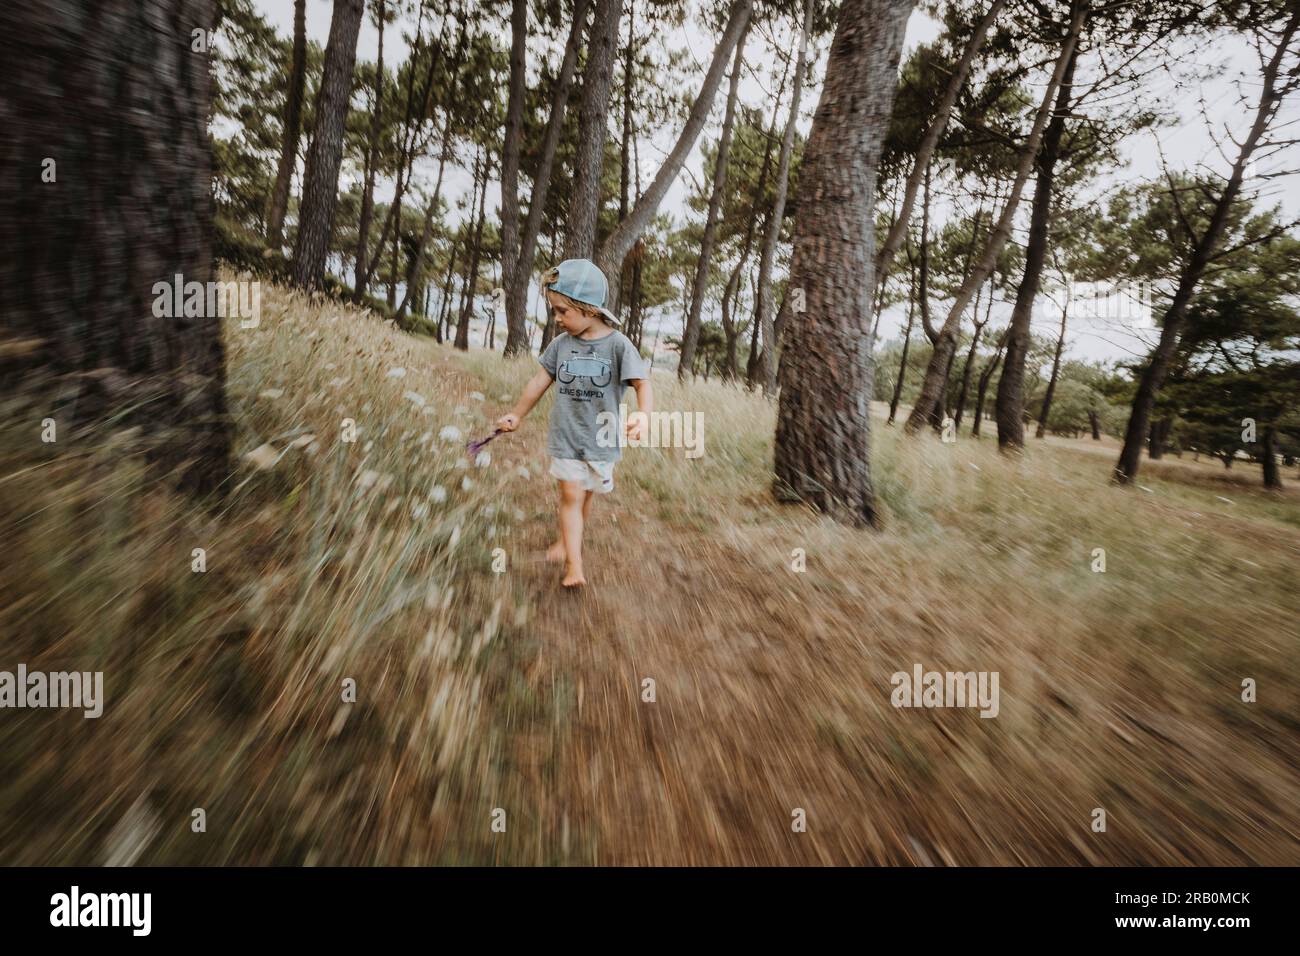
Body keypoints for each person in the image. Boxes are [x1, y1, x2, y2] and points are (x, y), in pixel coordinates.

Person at [496, 259, 653, 587]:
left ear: (589, 309)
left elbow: (642, 382)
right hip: (566, 437)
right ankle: (574, 566)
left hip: (601, 441)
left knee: (585, 494)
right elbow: (539, 381)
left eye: (563, 311)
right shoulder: (561, 346)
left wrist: (643, 414)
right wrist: (517, 414)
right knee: (570, 495)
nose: (557, 318)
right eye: (555, 310)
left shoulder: (618, 346)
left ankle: (567, 540)